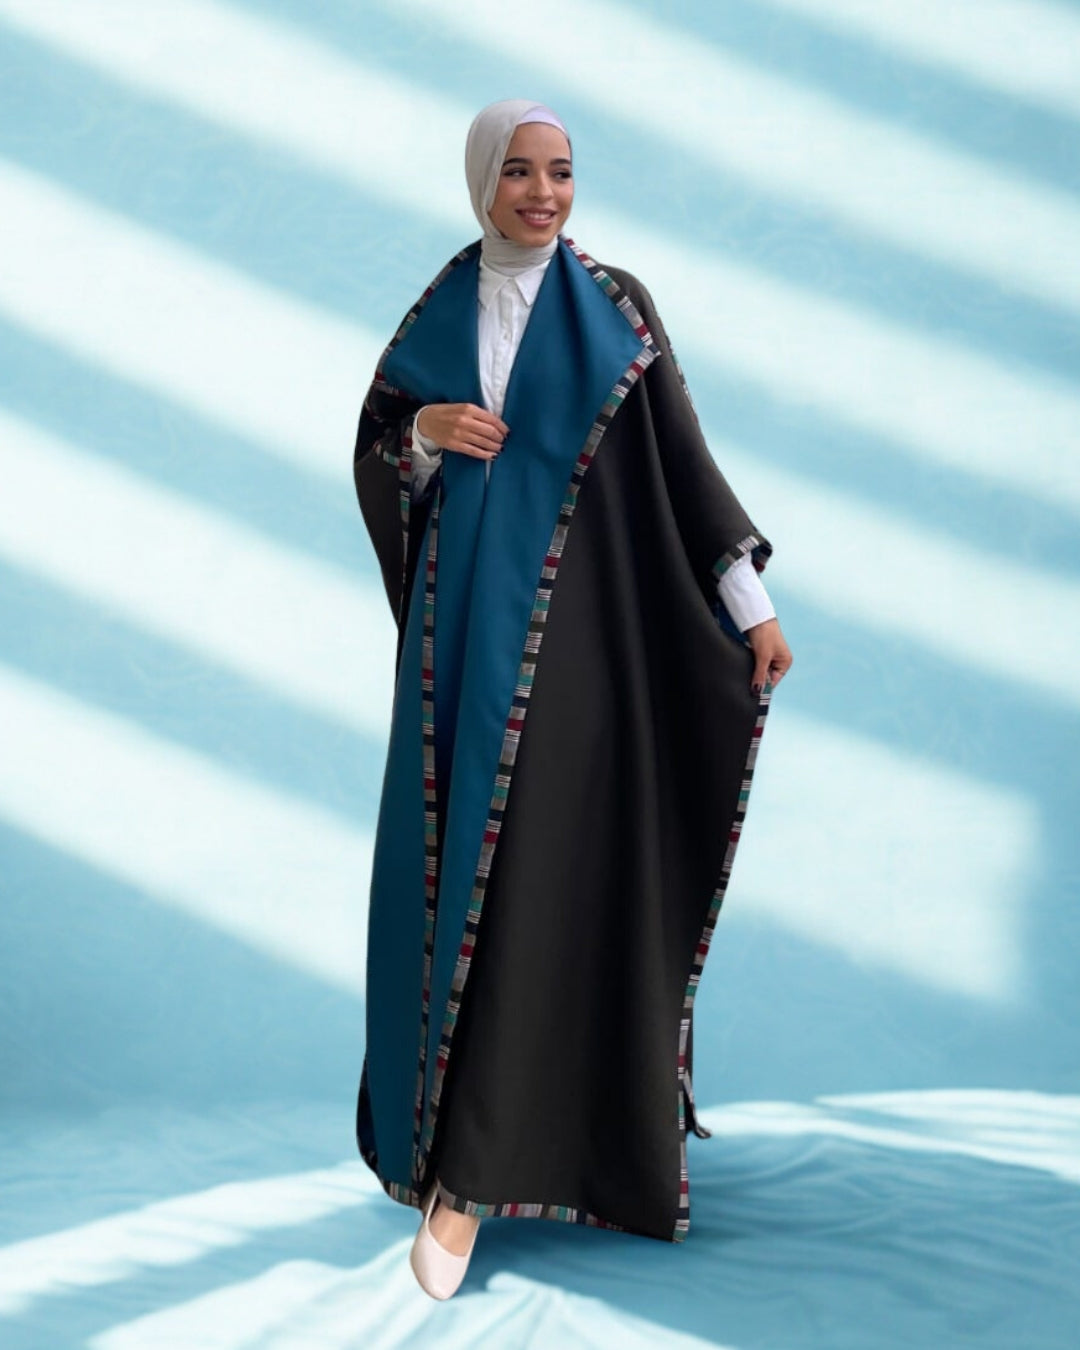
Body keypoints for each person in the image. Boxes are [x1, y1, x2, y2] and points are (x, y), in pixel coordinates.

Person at [352, 98, 793, 1300]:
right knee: (444, 892)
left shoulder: (616, 308)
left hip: (580, 654)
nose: (542, 193)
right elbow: (382, 454)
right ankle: (448, 1159)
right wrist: (426, 433)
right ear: (480, 182)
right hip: (453, 657)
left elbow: (683, 466)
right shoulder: (439, 310)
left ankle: (478, 1181)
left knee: (546, 889)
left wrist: (750, 607)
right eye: (518, 172)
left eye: (560, 171)